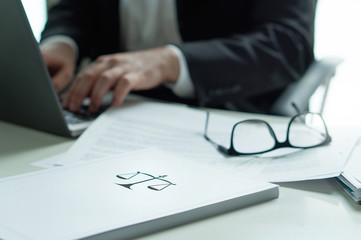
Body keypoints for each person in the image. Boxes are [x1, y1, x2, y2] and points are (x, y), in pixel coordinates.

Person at [40, 0, 317, 114]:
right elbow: (74, 7)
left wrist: (170, 62)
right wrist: (63, 42)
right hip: (108, 107)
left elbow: (288, 44)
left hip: (220, 111)